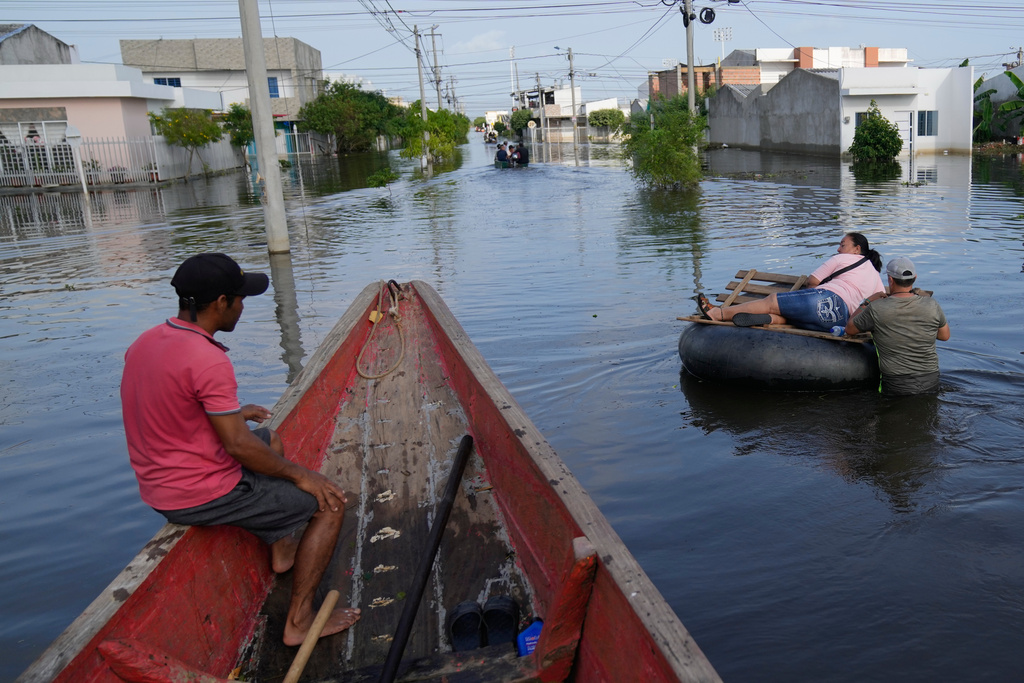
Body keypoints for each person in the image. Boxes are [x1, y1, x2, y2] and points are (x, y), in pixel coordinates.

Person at [120, 253, 360, 646]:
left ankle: (282, 551)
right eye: (239, 299)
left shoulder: (146, 342)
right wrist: (304, 475)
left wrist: (232, 412)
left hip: (157, 484)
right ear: (220, 303)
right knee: (329, 502)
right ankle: (299, 622)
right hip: (197, 493)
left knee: (271, 439)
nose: (243, 307)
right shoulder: (207, 358)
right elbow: (237, 445)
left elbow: (164, 405)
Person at [696, 232, 885, 332]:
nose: (838, 249)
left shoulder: (844, 259)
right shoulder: (876, 277)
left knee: (772, 301)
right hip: (841, 320)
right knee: (791, 317)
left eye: (842, 244)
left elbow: (813, 282)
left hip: (826, 299)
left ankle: (718, 313)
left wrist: (812, 296)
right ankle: (771, 319)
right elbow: (877, 304)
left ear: (856, 249)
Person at [845, 256, 950, 395]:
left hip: (897, 385)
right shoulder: (932, 305)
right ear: (915, 278)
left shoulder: (877, 308)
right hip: (931, 380)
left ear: (890, 280)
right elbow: (944, 336)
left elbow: (850, 329)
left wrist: (867, 302)